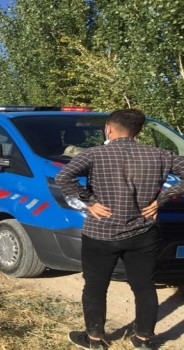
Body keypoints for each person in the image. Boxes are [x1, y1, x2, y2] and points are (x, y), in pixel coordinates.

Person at [56, 109, 184, 349]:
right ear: (139, 131)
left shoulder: (94, 154)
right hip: (144, 232)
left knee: (95, 285)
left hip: (100, 233)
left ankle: (95, 339)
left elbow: (63, 177)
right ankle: (144, 339)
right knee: (144, 285)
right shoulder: (160, 155)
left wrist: (89, 201)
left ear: (109, 128)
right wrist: (162, 199)